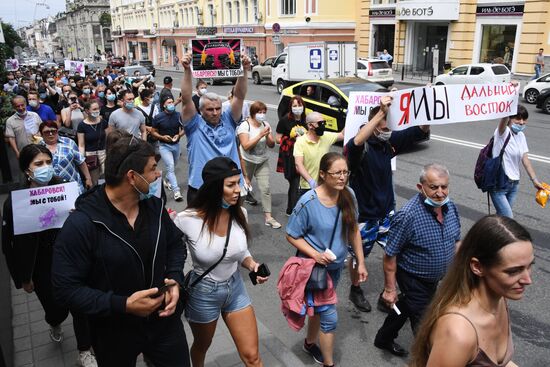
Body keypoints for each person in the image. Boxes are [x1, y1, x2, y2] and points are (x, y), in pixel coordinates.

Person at [52, 132, 191, 367]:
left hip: (164, 323)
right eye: (152, 169)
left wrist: (175, 279)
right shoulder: (83, 224)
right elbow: (65, 289)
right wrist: (122, 304)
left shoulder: (154, 207)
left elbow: (175, 244)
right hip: (114, 332)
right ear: (132, 176)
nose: (158, 174)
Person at [1, 144, 97, 367]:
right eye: (38, 164)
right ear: (27, 170)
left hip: (71, 259)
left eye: (48, 162)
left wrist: (78, 214)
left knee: (80, 306)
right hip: (41, 265)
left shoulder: (65, 188)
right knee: (56, 309)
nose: (45, 168)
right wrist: (23, 277)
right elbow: (8, 244)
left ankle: (85, 351)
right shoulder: (15, 202)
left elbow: (87, 222)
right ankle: (54, 322)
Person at [174, 156, 269, 367]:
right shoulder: (187, 220)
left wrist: (252, 265)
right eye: (231, 185)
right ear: (215, 188)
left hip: (235, 289)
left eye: (239, 183)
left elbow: (241, 252)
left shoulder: (240, 213)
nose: (239, 190)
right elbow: (170, 255)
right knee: (201, 346)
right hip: (203, 293)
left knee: (253, 357)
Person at [410, 215, 533, 367]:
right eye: (514, 271)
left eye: (529, 266)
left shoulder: (500, 298)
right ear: (477, 267)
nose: (528, 280)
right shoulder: (458, 333)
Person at [345, 96, 430, 313]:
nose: (386, 130)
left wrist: (428, 100)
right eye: (382, 126)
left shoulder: (388, 143)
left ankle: (388, 293)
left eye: (388, 126)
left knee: (394, 253)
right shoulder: (359, 147)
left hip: (386, 215)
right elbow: (356, 142)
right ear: (373, 126)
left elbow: (419, 130)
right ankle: (355, 289)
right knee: (357, 256)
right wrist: (382, 112)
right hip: (363, 218)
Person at [286, 152, 368, 367]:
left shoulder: (348, 194)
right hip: (314, 269)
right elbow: (291, 234)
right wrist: (315, 255)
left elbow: (353, 230)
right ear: (322, 174)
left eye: (345, 172)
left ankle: (309, 343)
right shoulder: (308, 201)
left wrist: (361, 261)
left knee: (319, 310)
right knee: (329, 317)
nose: (342, 177)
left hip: (335, 268)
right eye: (337, 173)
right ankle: (329, 364)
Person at [374, 163, 461, 357]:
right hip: (412, 278)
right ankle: (429, 357)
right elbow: (390, 254)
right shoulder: (407, 216)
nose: (440, 193)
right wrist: (389, 289)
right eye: (434, 187)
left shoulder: (450, 206)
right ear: (420, 187)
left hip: (434, 279)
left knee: (405, 305)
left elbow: (456, 240)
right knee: (425, 326)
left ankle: (384, 338)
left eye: (444, 187)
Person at [179, 51, 251, 204]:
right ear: (201, 111)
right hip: (202, 187)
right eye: (210, 110)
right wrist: (186, 70)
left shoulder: (229, 119)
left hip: (229, 186)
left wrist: (244, 70)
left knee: (230, 227)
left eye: (218, 108)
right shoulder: (194, 124)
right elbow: (186, 100)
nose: (215, 112)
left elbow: (238, 96)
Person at [488, 105, 544, 218]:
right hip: (500, 184)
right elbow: (503, 119)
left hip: (514, 185)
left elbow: (525, 160)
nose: (522, 122)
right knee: (508, 218)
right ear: (510, 118)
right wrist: (509, 101)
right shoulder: (502, 133)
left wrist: (535, 181)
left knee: (501, 218)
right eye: (518, 119)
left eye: (524, 119)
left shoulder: (521, 136)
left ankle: (488, 233)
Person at [237, 101, 280, 228]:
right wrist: (260, 135)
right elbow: (245, 146)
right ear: (253, 113)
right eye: (259, 112)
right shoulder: (245, 126)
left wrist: (267, 136)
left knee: (265, 188)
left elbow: (272, 145)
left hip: (262, 161)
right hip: (247, 162)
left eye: (264, 113)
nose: (262, 115)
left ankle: (268, 217)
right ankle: (237, 214)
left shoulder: (265, 124)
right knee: (243, 190)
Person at [294, 112, 344, 198]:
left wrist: (350, 117)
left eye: (324, 123)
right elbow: (299, 164)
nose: (323, 125)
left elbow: (342, 135)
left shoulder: (326, 136)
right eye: (320, 123)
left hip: (325, 186)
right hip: (307, 188)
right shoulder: (300, 142)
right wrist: (311, 182)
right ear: (310, 126)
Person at [39, 121, 92, 193]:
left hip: (73, 185)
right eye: (47, 132)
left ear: (57, 131)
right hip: (50, 190)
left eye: (53, 131)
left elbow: (81, 162)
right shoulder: (38, 148)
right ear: (41, 134)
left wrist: (88, 178)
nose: (50, 134)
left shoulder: (69, 142)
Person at [276, 96, 307, 215]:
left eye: (299, 105)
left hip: (304, 155)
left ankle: (294, 208)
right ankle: (292, 210)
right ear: (290, 107)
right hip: (290, 156)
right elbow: (277, 139)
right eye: (295, 106)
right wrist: (290, 138)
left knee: (301, 183)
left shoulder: (306, 120)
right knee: (294, 182)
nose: (298, 108)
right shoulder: (284, 120)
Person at [151, 97, 185, 202]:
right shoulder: (158, 117)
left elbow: (184, 129)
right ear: (164, 105)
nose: (171, 104)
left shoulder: (178, 115)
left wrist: (178, 136)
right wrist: (162, 137)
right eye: (169, 103)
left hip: (176, 145)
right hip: (164, 146)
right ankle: (176, 191)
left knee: (173, 167)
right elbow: (153, 131)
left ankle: (167, 180)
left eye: (172, 102)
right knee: (170, 166)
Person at [77, 101, 108, 186]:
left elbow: (108, 138)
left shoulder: (103, 122)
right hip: (90, 155)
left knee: (106, 179)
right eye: (94, 109)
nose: (97, 111)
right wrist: (82, 159)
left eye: (98, 108)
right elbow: (81, 144)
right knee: (94, 181)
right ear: (87, 111)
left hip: (103, 153)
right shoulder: (82, 125)